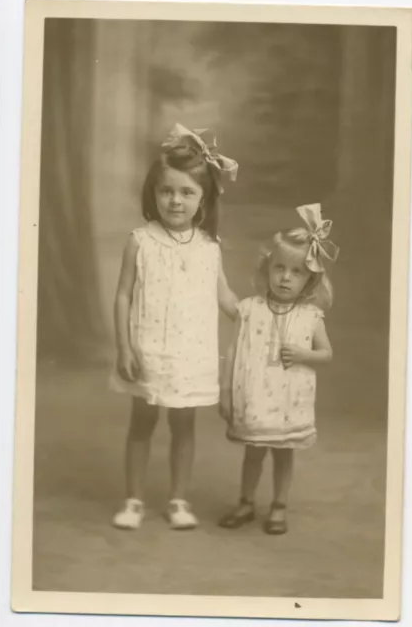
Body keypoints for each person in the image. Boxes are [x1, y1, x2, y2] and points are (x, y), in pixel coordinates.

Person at [110, 124, 238, 530]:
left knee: (184, 426)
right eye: (167, 191)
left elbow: (226, 298)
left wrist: (258, 311)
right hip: (148, 349)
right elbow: (124, 295)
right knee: (142, 423)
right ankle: (133, 500)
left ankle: (179, 499)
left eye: (187, 192)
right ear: (153, 193)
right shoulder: (141, 241)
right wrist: (125, 348)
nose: (175, 201)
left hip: (191, 354)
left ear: (204, 199)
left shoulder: (209, 248)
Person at [218, 204, 339, 535]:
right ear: (267, 269)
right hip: (256, 398)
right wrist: (213, 263)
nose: (286, 277)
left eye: (297, 272)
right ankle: (246, 502)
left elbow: (326, 354)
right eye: (280, 268)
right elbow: (227, 309)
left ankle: (279, 506)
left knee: (284, 454)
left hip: (290, 400)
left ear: (310, 279)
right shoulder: (252, 309)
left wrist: (303, 353)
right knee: (253, 452)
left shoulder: (310, 316)